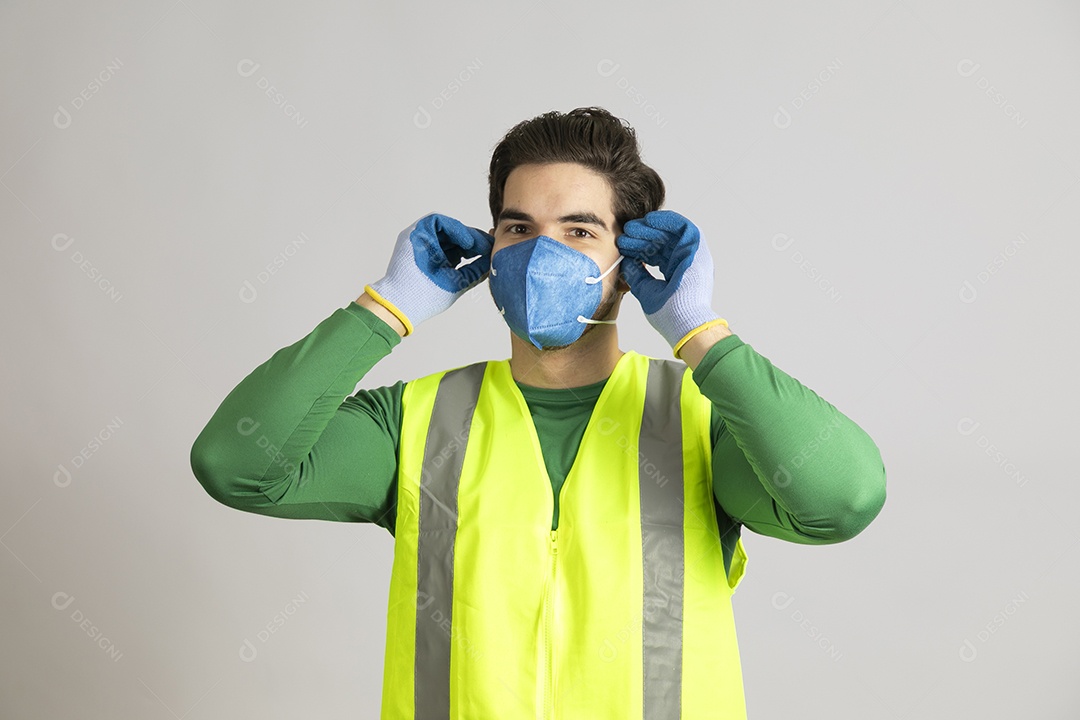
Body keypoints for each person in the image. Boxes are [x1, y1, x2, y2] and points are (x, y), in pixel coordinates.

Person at [190, 106, 887, 719]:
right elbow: (236, 464)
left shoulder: (701, 423)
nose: (540, 254)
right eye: (518, 228)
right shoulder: (415, 421)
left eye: (580, 231)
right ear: (491, 252)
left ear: (633, 260)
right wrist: (385, 308)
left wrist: (698, 330)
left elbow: (842, 499)